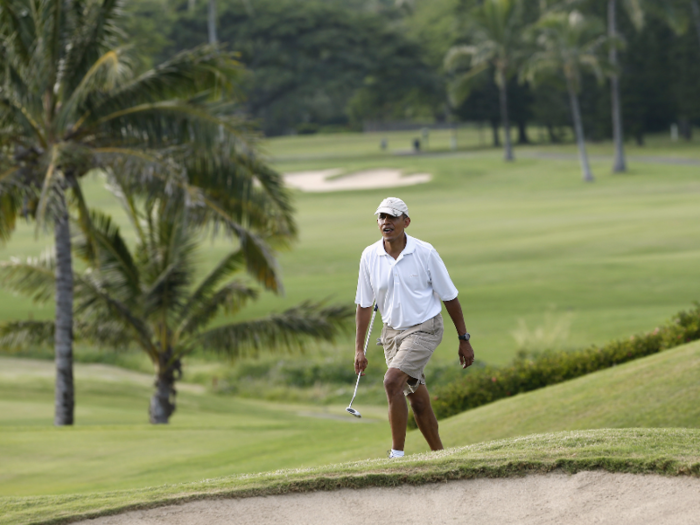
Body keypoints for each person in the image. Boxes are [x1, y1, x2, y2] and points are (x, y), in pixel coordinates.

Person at [354, 197, 475, 458]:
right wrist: (359, 350)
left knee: (392, 382)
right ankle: (440, 456)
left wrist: (463, 338)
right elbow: (364, 305)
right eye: (382, 217)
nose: (386, 222)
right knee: (418, 402)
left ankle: (396, 455)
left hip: (425, 328)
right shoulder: (369, 256)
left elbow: (450, 296)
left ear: (406, 222)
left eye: (392, 217)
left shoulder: (425, 252)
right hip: (391, 334)